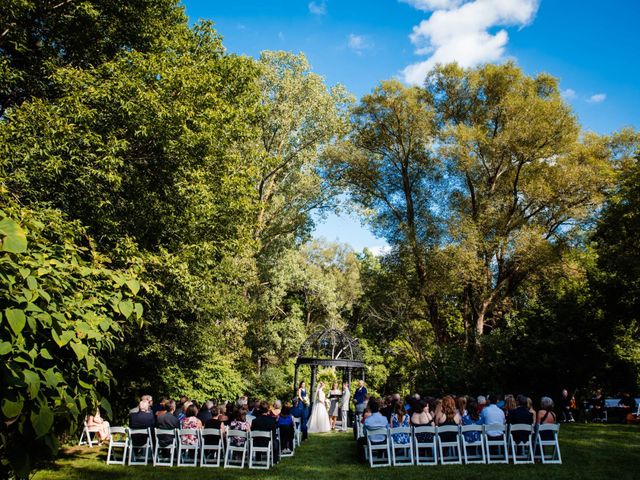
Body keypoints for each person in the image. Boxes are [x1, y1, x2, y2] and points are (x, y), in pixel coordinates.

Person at [356, 397, 388, 462]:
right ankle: (381, 455)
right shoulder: (384, 419)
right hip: (383, 440)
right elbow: (387, 430)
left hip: (371, 441)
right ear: (379, 408)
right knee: (384, 437)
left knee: (359, 440)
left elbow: (365, 432)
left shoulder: (368, 420)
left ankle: (362, 459)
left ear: (370, 409)